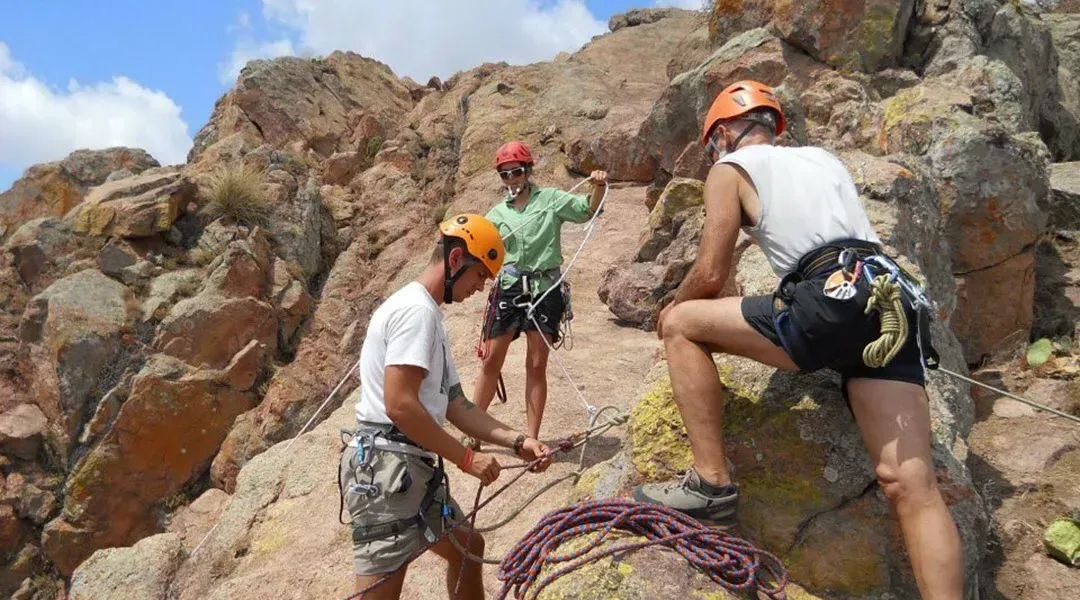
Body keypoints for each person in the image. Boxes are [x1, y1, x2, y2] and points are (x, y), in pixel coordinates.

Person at [631, 80, 964, 600]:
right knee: (911, 484)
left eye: (711, 142)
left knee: (681, 325)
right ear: (771, 125)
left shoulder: (730, 169)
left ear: (722, 133)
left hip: (828, 297)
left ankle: (711, 485)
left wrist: (674, 303)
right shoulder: (823, 159)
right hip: (888, 297)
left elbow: (712, 270)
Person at [340, 213, 552, 600]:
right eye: (479, 277)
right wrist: (466, 460)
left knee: (467, 547)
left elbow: (455, 404)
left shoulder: (428, 315)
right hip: (389, 473)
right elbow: (400, 405)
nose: (480, 288)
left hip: (409, 467)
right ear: (456, 261)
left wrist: (518, 441)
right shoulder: (416, 313)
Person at [468, 141, 608, 444]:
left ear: (528, 171)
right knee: (491, 360)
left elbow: (588, 209)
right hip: (509, 288)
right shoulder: (495, 215)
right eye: (504, 175)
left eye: (516, 172)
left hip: (545, 288)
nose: (511, 180)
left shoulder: (552, 200)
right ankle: (473, 431)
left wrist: (598, 185)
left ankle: (531, 437)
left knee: (536, 364)